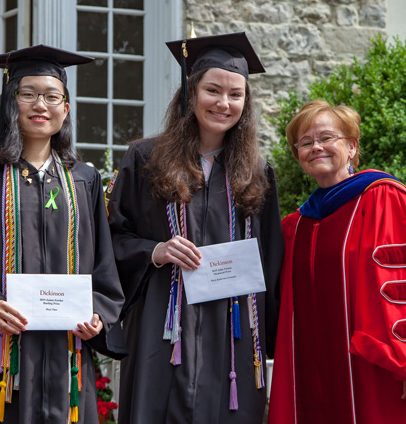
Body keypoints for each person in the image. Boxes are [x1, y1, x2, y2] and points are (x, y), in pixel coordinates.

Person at [0, 45, 124, 424]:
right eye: (28, 94)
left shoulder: (83, 180)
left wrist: (98, 312)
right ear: (10, 103)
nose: (40, 105)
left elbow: (104, 259)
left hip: (65, 348)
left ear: (66, 109)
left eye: (52, 96)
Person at [106, 32, 284, 423]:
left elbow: (271, 261)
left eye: (235, 95)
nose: (224, 103)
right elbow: (111, 240)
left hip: (232, 327)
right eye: (213, 90)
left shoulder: (256, 173)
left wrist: (269, 336)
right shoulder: (146, 159)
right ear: (191, 93)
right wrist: (155, 251)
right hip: (161, 322)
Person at [268, 100, 406, 423]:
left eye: (326, 137)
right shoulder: (296, 227)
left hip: (381, 377)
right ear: (299, 157)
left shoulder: (385, 199)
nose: (316, 147)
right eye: (305, 142)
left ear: (351, 146)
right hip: (314, 382)